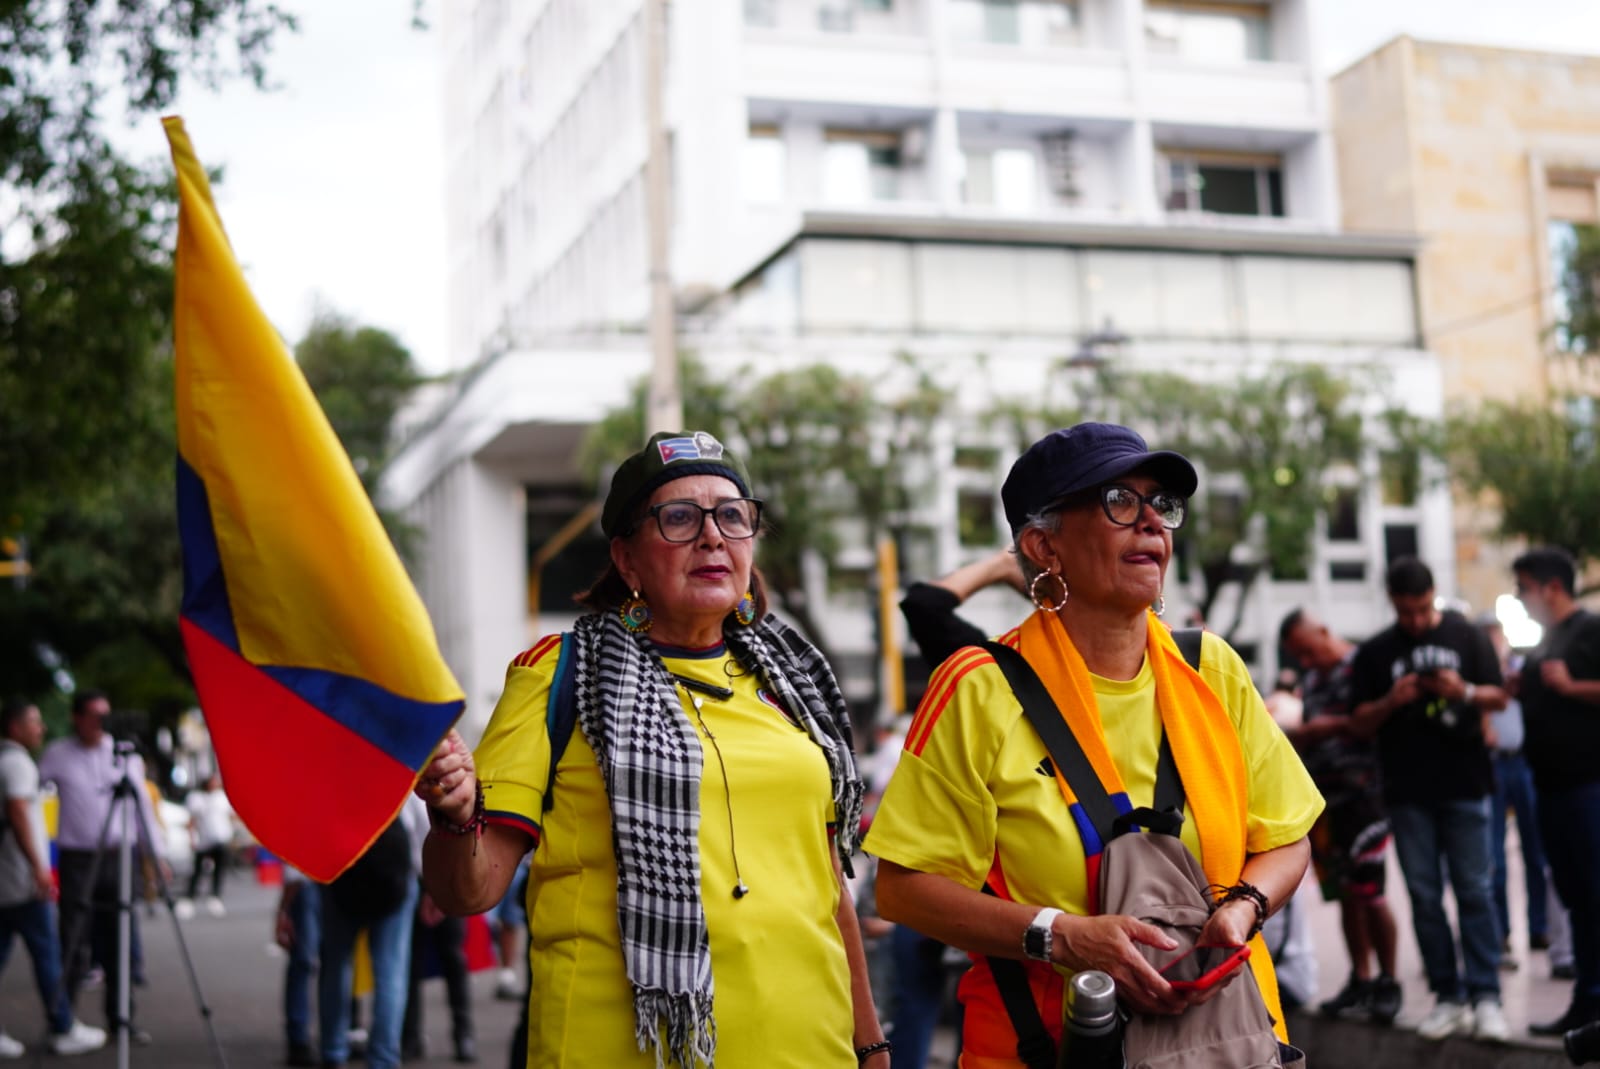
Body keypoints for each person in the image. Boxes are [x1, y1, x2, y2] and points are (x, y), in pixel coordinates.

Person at [417, 430, 889, 1068]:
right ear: (627, 559)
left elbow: (827, 884)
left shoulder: (792, 683)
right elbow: (468, 893)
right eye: (679, 518)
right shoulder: (561, 676)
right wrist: (454, 816)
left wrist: (869, 1042)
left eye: (732, 516)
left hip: (809, 1050)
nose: (713, 536)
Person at [867, 422, 1324, 1066]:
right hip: (1043, 1051)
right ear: (1043, 545)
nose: (1152, 522)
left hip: (1228, 1045)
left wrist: (1242, 909)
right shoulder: (977, 687)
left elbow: (1286, 836)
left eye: (1161, 504)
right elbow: (904, 888)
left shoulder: (1211, 668)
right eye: (1120, 502)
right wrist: (1060, 937)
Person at [1349, 558, 1509, 1042]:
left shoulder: (1467, 636)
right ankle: (1448, 996)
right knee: (1424, 897)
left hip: (1466, 784)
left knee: (1475, 891)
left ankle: (1487, 997)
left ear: (1433, 595)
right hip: (1408, 792)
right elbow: (1359, 723)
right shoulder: (1376, 652)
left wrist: (1464, 691)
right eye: (1406, 612)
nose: (1416, 621)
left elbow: (1501, 698)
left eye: (1422, 609)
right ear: (1392, 603)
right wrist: (1391, 701)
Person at [1277, 609, 1402, 1025]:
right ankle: (1361, 978)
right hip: (1327, 803)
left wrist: (1329, 727)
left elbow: (1376, 720)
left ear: (1324, 631)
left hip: (1366, 797)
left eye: (1308, 651)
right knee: (1345, 894)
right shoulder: (1312, 681)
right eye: (1299, 656)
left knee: (1371, 892)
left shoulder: (1362, 665)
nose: (1306, 662)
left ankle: (1388, 979)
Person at [38, 689, 167, 1045]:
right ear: (77, 718)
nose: (101, 723)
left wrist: (156, 855)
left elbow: (142, 808)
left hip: (120, 855)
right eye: (94, 715)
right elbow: (31, 795)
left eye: (105, 715)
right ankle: (64, 1022)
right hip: (78, 858)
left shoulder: (125, 755)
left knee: (121, 939)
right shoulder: (57, 754)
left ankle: (121, 1018)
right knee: (74, 938)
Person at [1510, 547, 1600, 1036]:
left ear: (1553, 587)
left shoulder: (1590, 630)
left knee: (1594, 895)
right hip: (1549, 787)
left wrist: (1572, 686)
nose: (1520, 598)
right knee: (1576, 898)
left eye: (1524, 588)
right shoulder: (1545, 640)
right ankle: (1587, 1004)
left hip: (1589, 788)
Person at [0, 699, 106, 1057]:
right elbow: (18, 811)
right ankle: (63, 1026)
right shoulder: (17, 764)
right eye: (34, 721)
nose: (41, 728)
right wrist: (38, 868)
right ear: (15, 727)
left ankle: (63, 1024)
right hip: (21, 881)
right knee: (48, 955)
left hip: (8, 878)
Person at [318, 796, 427, 1069]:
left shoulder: (336, 778)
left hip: (343, 872)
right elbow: (422, 825)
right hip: (393, 875)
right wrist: (429, 881)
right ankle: (383, 1057)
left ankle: (333, 1050)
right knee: (391, 972)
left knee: (336, 967)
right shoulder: (400, 774)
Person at [1475, 612, 1554, 973]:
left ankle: (1540, 927)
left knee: (1535, 850)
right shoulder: (1479, 676)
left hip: (1523, 761)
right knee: (1495, 857)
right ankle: (1501, 932)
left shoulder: (1521, 669)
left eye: (1495, 634)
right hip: (1492, 764)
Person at [402, 882, 476, 1063]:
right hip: (414, 883)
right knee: (410, 965)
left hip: (449, 883)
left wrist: (440, 891)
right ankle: (410, 1037)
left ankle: (463, 1033)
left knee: (453, 961)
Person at [275, 866, 320, 1067]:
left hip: (308, 882)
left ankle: (301, 1038)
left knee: (305, 963)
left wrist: (283, 909)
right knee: (313, 963)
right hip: (313, 883)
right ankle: (329, 1042)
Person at [182, 773, 234, 917]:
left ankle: (215, 896)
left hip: (221, 838)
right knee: (197, 870)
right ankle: (189, 897)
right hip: (204, 841)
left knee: (219, 870)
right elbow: (191, 820)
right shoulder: (196, 798)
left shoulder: (222, 798)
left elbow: (231, 816)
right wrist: (191, 838)